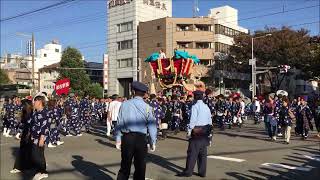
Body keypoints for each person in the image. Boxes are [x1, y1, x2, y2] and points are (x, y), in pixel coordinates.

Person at [115, 81, 157, 180]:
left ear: (133, 92)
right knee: (140, 167)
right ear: (144, 94)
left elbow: (119, 123)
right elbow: (152, 125)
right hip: (141, 139)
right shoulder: (147, 107)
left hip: (127, 137)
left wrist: (118, 138)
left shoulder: (124, 104)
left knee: (125, 166)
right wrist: (152, 141)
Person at [177, 90, 212, 178]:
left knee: (192, 152)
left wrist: (189, 132)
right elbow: (210, 121)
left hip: (197, 130)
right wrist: (210, 135)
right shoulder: (206, 107)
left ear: (195, 97)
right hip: (205, 130)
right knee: (202, 153)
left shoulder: (195, 106)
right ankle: (202, 172)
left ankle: (188, 171)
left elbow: (192, 121)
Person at [10, 99, 33, 174]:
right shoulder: (24, 113)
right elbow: (20, 124)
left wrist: (29, 134)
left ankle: (29, 166)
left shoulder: (32, 113)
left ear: (27, 105)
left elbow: (33, 125)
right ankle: (18, 167)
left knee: (30, 151)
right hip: (24, 134)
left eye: (23, 105)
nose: (21, 106)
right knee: (23, 151)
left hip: (30, 135)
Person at [30, 95, 49, 180]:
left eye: (35, 101)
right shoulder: (36, 112)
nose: (33, 103)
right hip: (35, 137)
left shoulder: (44, 113)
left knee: (36, 155)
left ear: (40, 102)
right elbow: (33, 124)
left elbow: (45, 126)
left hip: (40, 137)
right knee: (39, 155)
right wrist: (31, 135)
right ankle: (42, 171)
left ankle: (41, 172)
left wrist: (42, 138)